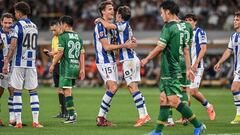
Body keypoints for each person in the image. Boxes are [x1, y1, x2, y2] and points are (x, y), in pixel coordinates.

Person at [141, 1, 205, 135]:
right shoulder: (186, 26)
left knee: (175, 101)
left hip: (171, 69)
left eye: (162, 13)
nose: (161, 16)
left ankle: (198, 125)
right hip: (174, 68)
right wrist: (188, 69)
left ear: (168, 12)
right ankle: (158, 132)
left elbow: (160, 47)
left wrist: (146, 59)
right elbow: (186, 49)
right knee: (163, 99)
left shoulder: (168, 27)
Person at [95, 5, 150, 127]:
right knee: (129, 87)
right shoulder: (122, 26)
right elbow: (113, 43)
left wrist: (100, 19)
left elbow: (109, 26)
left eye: (115, 12)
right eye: (110, 9)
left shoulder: (121, 24)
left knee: (132, 88)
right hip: (124, 59)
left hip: (129, 60)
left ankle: (143, 116)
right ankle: (144, 114)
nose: (114, 13)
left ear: (120, 16)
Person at [2, 1, 43, 128]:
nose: (15, 14)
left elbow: (13, 45)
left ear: (19, 13)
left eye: (15, 12)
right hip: (31, 63)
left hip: (18, 63)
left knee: (17, 91)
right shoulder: (34, 26)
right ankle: (35, 121)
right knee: (33, 91)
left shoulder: (17, 26)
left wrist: (7, 61)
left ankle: (18, 122)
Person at [49, 15, 85, 124]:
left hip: (66, 67)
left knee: (66, 91)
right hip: (75, 66)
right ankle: (71, 114)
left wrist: (53, 64)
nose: (60, 27)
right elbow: (82, 53)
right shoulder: (78, 37)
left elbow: (60, 53)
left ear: (64, 24)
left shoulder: (63, 36)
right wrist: (82, 68)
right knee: (67, 90)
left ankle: (72, 116)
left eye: (60, 25)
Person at [185, 13, 215, 121]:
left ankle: (209, 106)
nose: (188, 22)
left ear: (195, 22)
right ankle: (185, 117)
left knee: (193, 91)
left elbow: (203, 49)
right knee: (185, 91)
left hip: (197, 66)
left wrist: (196, 62)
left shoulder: (200, 32)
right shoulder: (185, 33)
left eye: (190, 20)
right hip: (186, 67)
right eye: (186, 20)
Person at [214, 11, 240, 124]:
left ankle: (239, 115)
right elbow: (229, 51)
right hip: (237, 68)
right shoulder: (234, 36)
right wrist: (220, 62)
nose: (234, 21)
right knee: (235, 89)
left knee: (234, 88)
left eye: (237, 20)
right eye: (234, 19)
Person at [43, 20, 67, 118]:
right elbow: (55, 53)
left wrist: (53, 55)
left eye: (54, 30)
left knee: (64, 89)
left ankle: (68, 112)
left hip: (63, 64)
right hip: (56, 64)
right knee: (59, 89)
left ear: (59, 26)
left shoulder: (64, 37)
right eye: (51, 30)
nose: (53, 32)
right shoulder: (54, 38)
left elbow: (62, 52)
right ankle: (63, 112)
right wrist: (49, 53)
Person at [0, 13, 15, 126]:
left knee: (13, 92)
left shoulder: (15, 33)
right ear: (1, 22)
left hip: (13, 66)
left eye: (10, 23)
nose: (7, 25)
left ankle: (12, 119)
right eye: (5, 22)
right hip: (1, 66)